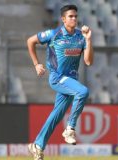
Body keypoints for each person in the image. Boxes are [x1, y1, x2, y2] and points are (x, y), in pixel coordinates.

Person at [26, 4, 93, 160]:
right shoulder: (54, 34)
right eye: (70, 16)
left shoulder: (80, 37)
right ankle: (70, 128)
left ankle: (37, 145)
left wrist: (89, 40)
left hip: (71, 81)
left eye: (75, 16)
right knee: (83, 92)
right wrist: (37, 64)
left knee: (56, 115)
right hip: (57, 78)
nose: (74, 19)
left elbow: (88, 61)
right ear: (63, 19)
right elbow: (30, 41)